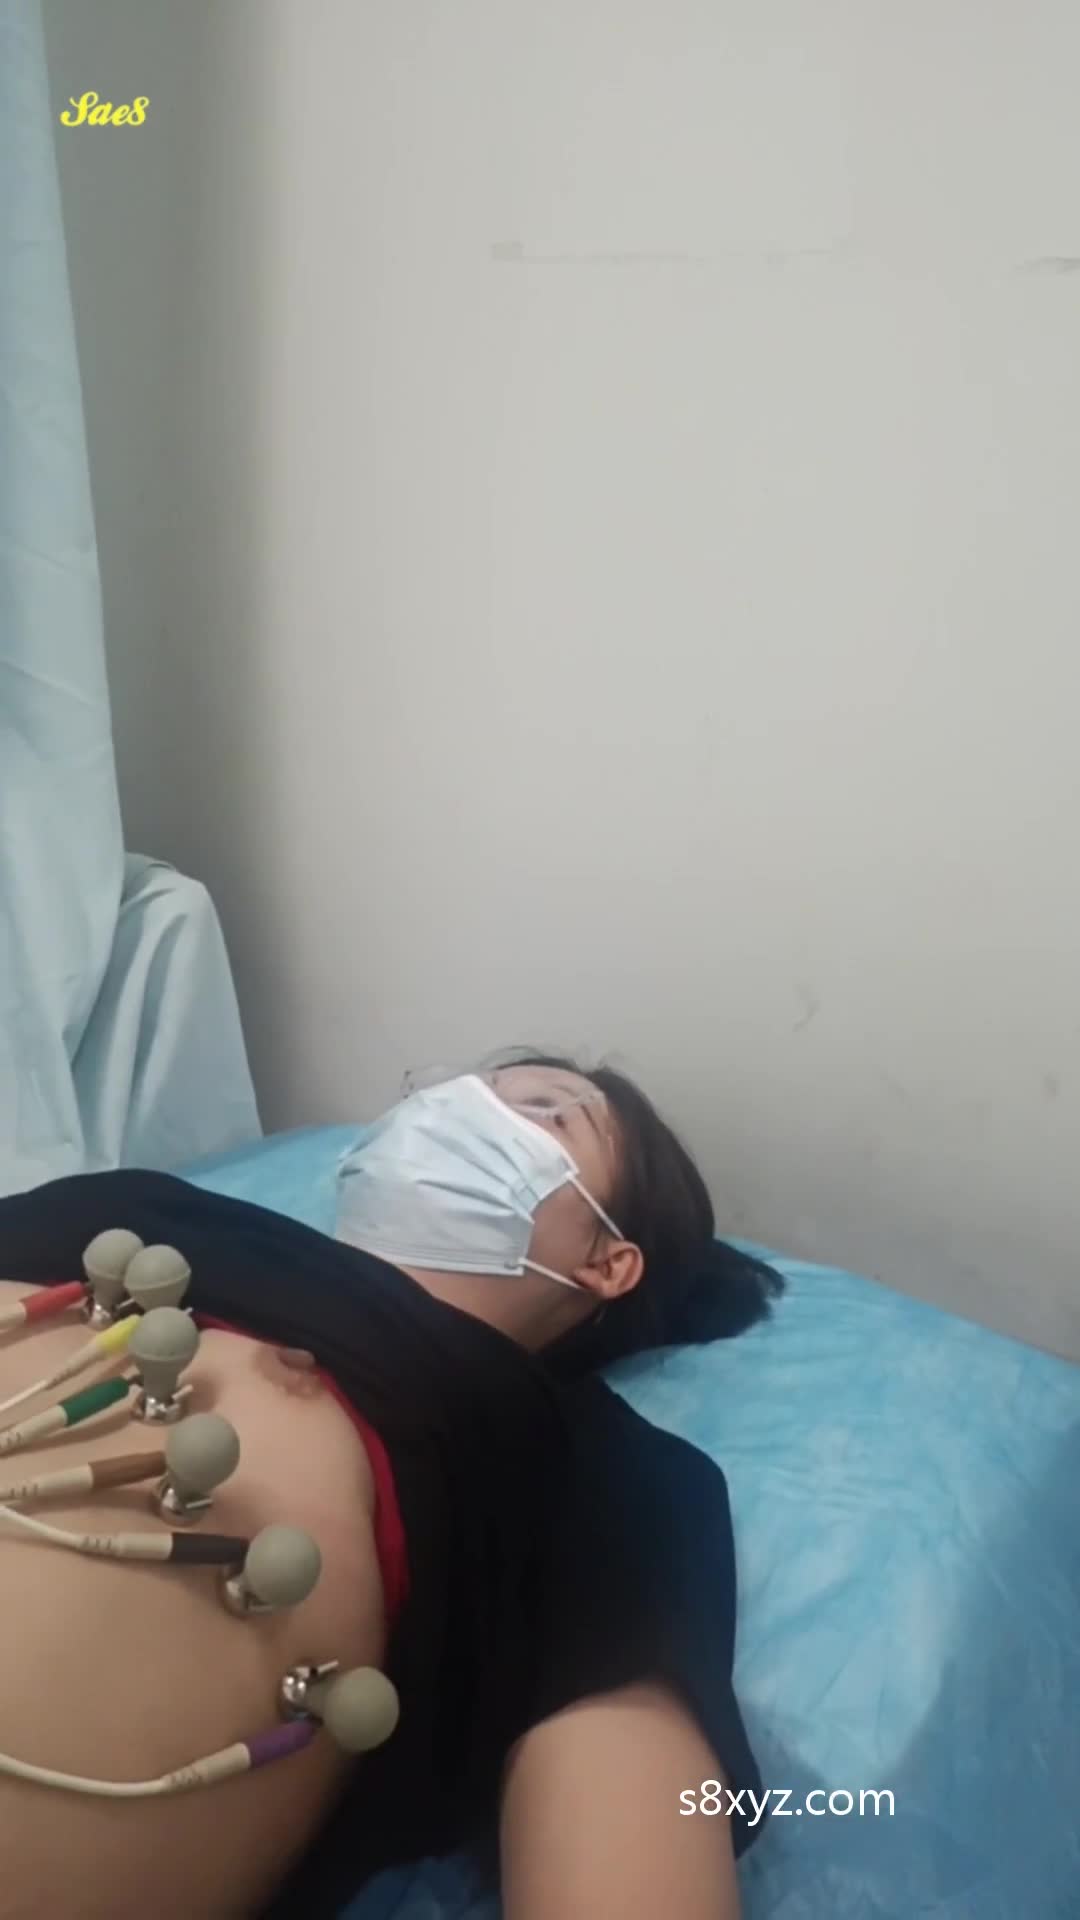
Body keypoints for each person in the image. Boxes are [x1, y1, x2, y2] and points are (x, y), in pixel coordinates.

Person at [0, 1050, 781, 1919]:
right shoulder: (144, 1207)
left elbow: (627, 1838)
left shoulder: (593, 1466)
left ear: (608, 1261)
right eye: (461, 1089)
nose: (458, 1110)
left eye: (548, 1112)